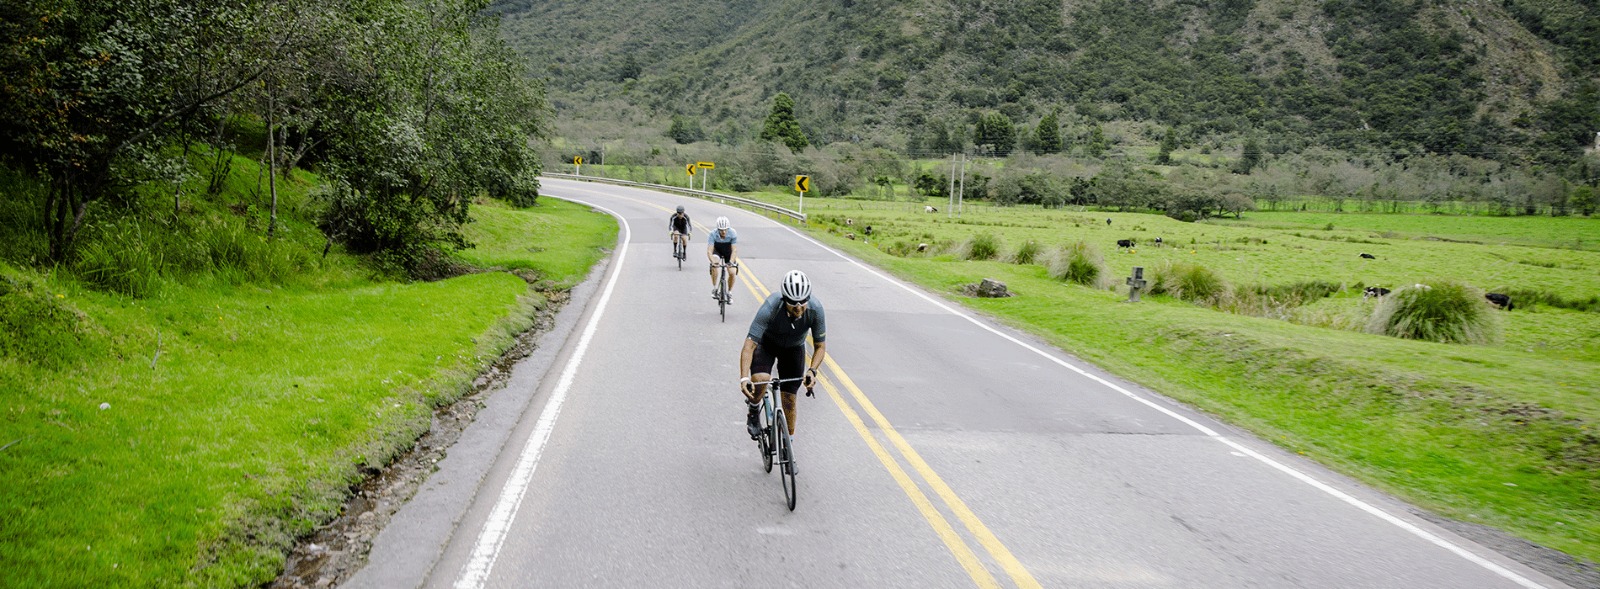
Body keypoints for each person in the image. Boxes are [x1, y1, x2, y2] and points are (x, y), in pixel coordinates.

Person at [740, 270, 827, 462]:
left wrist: (812, 371)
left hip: (794, 349)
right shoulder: (771, 306)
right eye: (793, 303)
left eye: (803, 301)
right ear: (784, 298)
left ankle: (789, 446)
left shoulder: (816, 309)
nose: (798, 307)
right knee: (761, 379)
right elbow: (749, 345)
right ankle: (754, 409)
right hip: (767, 345)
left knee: (789, 399)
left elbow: (820, 346)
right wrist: (744, 377)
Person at [707, 216, 739, 300]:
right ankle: (715, 288)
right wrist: (713, 262)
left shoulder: (732, 233)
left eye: (725, 229)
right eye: (721, 230)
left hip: (728, 251)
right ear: (718, 229)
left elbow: (734, 250)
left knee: (732, 272)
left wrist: (731, 262)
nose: (723, 232)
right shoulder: (712, 234)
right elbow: (709, 251)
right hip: (717, 250)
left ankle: (729, 292)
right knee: (715, 265)